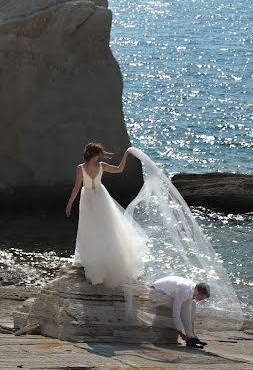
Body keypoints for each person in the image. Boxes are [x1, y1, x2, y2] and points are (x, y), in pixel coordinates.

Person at [65, 142, 147, 288]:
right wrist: (125, 155)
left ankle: (96, 260)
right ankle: (101, 258)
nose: (99, 157)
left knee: (94, 228)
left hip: (89, 197)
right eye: (98, 154)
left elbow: (77, 187)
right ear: (94, 155)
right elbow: (120, 169)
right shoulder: (100, 166)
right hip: (99, 197)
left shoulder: (81, 168)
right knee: (100, 227)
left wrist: (70, 203)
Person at [150, 275, 210, 347]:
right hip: (156, 291)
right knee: (185, 308)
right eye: (201, 298)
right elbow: (176, 312)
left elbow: (190, 315)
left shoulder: (193, 289)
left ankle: (192, 337)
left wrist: (192, 333)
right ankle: (189, 339)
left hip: (169, 292)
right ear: (197, 291)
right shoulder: (184, 291)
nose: (201, 300)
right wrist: (180, 332)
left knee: (192, 305)